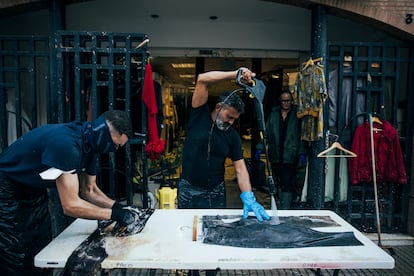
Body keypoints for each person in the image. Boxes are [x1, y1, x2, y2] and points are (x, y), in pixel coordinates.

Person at [0, 110, 138, 275]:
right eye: (115, 144)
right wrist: (113, 215)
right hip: (6, 187)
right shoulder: (67, 145)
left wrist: (118, 208)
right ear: (105, 134)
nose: (114, 149)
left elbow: (89, 190)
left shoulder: (90, 145)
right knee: (15, 253)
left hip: (32, 188)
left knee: (40, 245)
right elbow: (70, 206)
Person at [178, 67, 270, 222]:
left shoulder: (232, 136)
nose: (231, 122)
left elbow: (240, 169)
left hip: (216, 191)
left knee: (216, 232)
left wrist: (249, 196)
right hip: (189, 188)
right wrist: (236, 74)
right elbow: (202, 79)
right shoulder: (198, 115)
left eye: (235, 119)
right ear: (219, 107)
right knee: (188, 230)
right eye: (229, 116)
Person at [256, 90, 307, 209]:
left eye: (288, 100)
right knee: (277, 180)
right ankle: (281, 204)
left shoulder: (296, 115)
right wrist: (260, 147)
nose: (286, 103)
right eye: (283, 101)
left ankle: (286, 207)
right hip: (275, 154)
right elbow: (266, 133)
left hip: (291, 155)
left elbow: (301, 135)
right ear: (280, 101)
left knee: (287, 181)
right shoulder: (274, 115)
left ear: (291, 101)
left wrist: (302, 152)